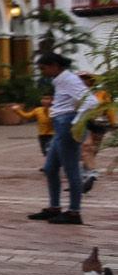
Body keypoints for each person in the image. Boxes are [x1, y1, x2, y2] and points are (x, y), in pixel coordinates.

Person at [32, 52, 91, 225]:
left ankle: (74, 212)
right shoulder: (60, 80)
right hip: (60, 127)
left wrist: (77, 123)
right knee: (50, 169)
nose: (42, 72)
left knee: (72, 171)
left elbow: (90, 102)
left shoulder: (69, 80)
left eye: (44, 68)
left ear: (55, 65)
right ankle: (54, 207)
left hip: (67, 126)